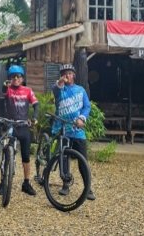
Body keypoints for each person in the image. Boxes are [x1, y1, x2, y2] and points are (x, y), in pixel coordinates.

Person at [52, 63, 95, 200]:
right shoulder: (59, 89)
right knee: (64, 158)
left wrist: (82, 118)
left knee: (83, 161)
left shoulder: (80, 90)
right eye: (64, 73)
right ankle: (65, 184)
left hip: (77, 131)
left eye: (69, 73)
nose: (67, 76)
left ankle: (87, 187)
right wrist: (60, 82)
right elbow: (56, 89)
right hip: (64, 130)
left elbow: (86, 107)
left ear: (74, 75)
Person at [0, 64, 39, 196]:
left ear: (22, 78)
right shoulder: (8, 90)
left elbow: (36, 105)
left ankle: (26, 183)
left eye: (19, 76)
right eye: (13, 76)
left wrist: (34, 117)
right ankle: (2, 181)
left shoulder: (28, 90)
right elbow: (3, 92)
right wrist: (6, 85)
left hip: (23, 126)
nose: (16, 78)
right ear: (10, 78)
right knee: (7, 154)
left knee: (26, 157)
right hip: (10, 126)